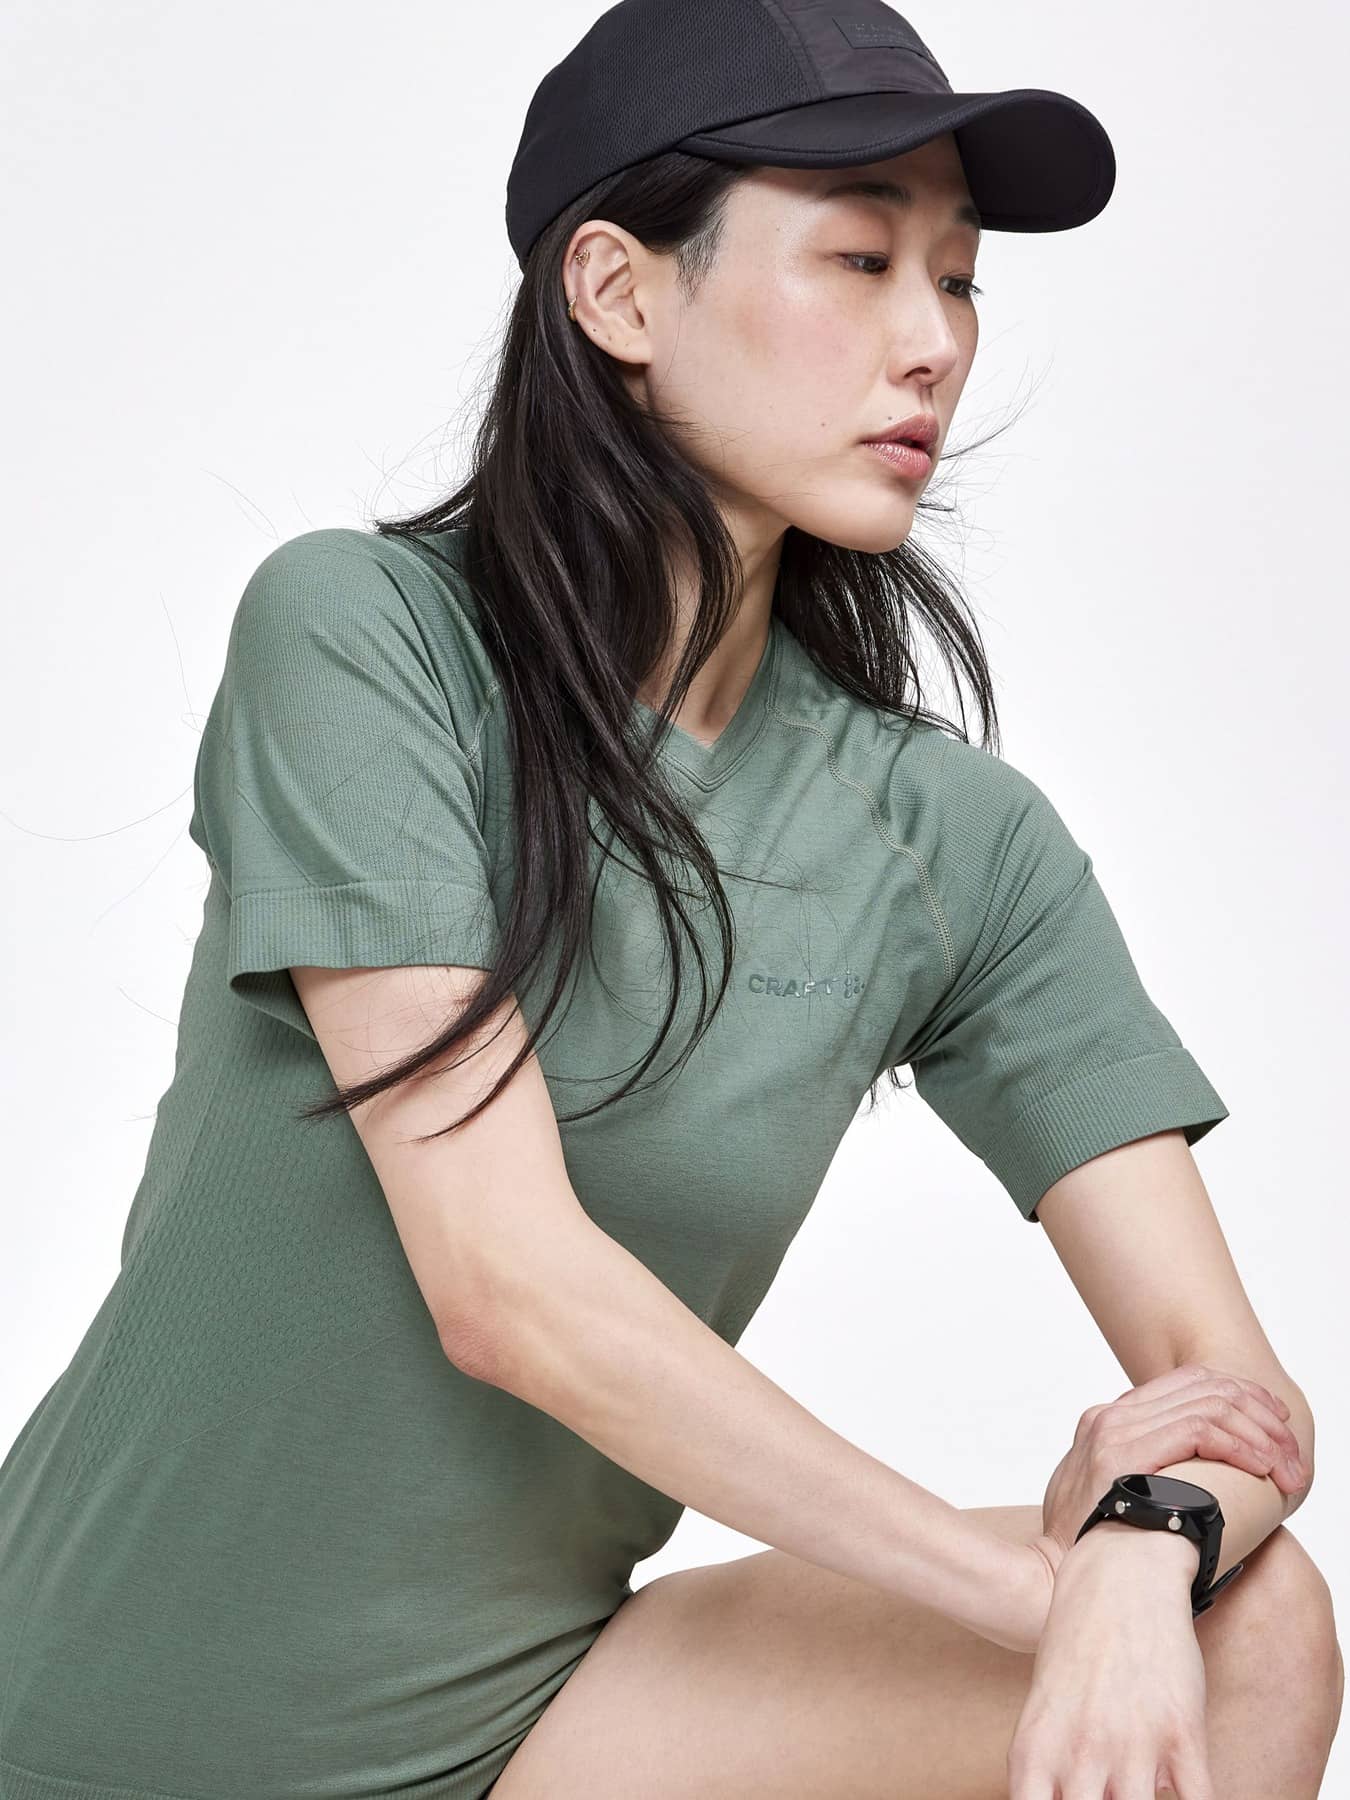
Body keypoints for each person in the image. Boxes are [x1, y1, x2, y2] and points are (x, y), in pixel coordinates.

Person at [0, 3, 1340, 1797]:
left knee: (1251, 1626)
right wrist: (1043, 1594)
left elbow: (1227, 1387)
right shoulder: (369, 640)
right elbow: (511, 1289)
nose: (933, 339)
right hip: (119, 1713)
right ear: (618, 292)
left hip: (531, 1723)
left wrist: (1146, 1541)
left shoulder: (954, 841)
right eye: (858, 257)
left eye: (957, 280)